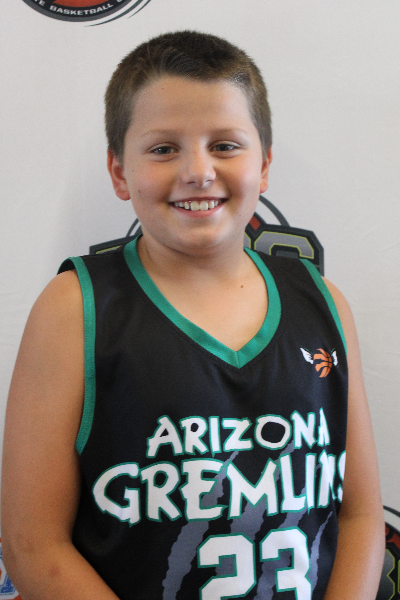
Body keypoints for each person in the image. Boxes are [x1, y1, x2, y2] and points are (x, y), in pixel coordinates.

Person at [1, 30, 384, 600]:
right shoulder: (74, 308)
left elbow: (360, 516)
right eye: (163, 149)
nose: (198, 171)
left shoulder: (325, 303)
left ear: (265, 164)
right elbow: (33, 544)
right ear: (118, 172)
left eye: (225, 145)